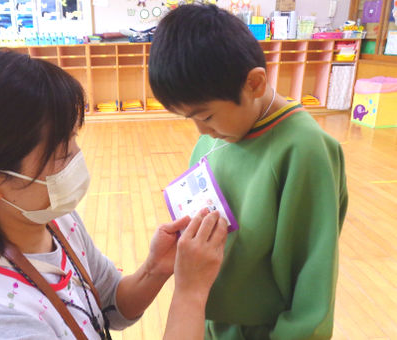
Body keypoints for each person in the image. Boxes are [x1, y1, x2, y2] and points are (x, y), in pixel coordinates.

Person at [0, 48, 228, 340]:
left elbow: (108, 306)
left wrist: (155, 268)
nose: (77, 157)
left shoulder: (54, 220)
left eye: (72, 139)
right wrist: (190, 291)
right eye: (61, 151)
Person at [149, 4, 348, 339]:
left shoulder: (305, 150)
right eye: (190, 119)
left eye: (207, 116)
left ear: (254, 83)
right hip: (212, 324)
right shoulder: (213, 140)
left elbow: (311, 289)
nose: (201, 131)